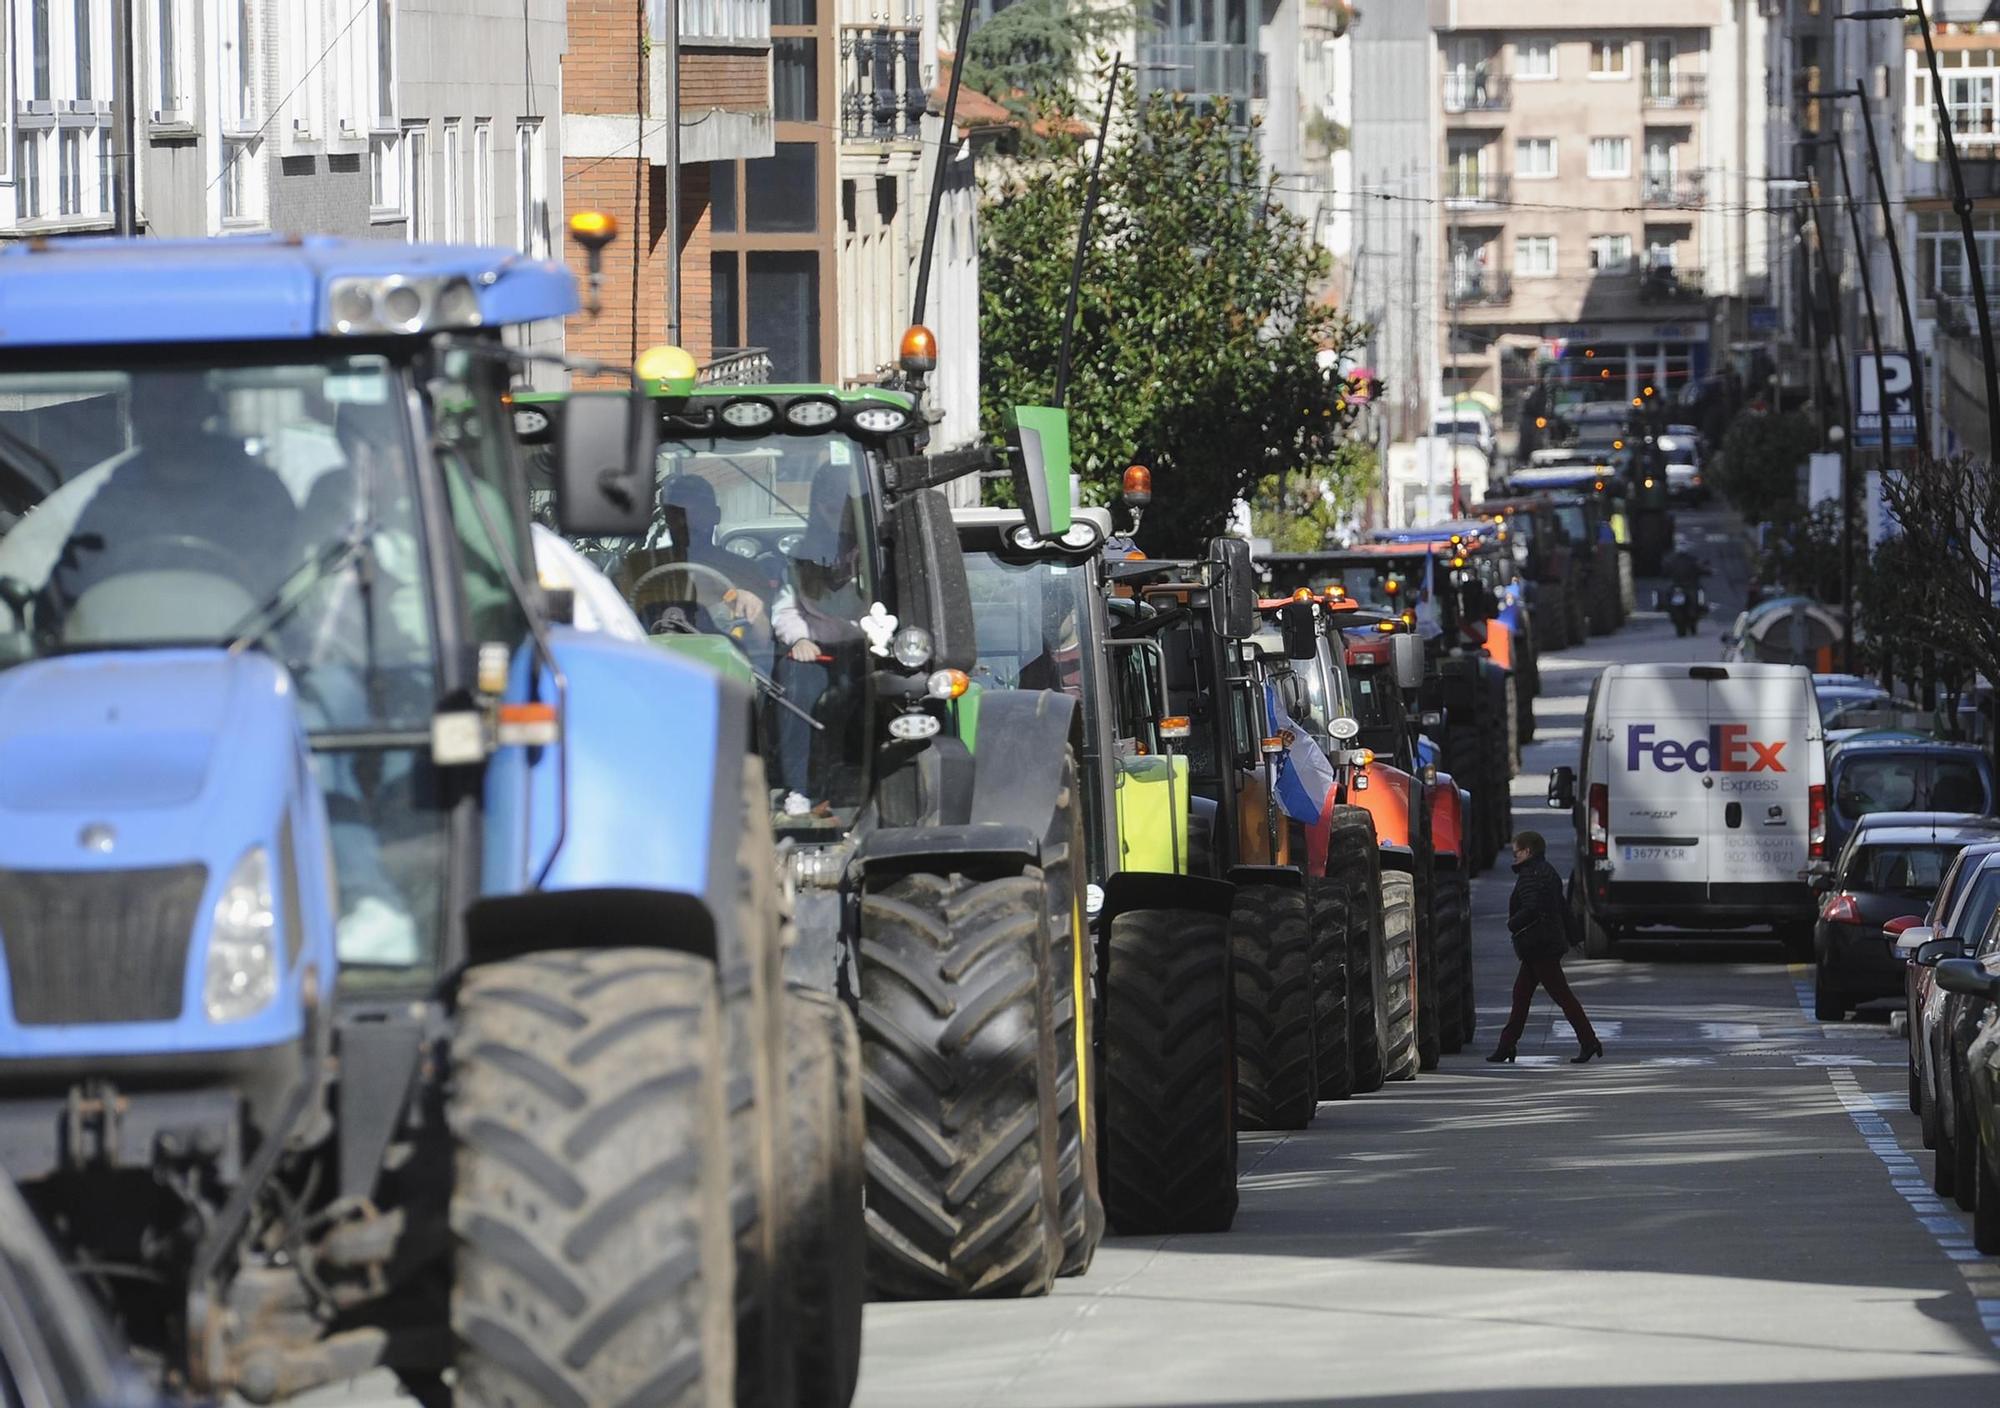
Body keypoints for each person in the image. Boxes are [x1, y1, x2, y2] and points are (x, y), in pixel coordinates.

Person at [772, 455, 868, 817]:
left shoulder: (874, 551)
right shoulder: (801, 556)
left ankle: (863, 783)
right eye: (825, 499)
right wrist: (798, 639)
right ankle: (800, 787)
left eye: (841, 499)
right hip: (815, 649)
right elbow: (785, 611)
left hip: (865, 648)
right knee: (795, 690)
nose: (833, 508)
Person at [1488, 830, 1604, 1064]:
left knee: (1561, 996)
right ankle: (1506, 1045)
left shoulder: (1531, 875)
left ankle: (1589, 1041)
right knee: (1521, 995)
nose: (1514, 857)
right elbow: (1562, 908)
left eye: (1516, 852)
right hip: (1543, 945)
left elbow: (1532, 908)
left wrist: (1512, 924)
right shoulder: (1547, 871)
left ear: (1528, 851)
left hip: (1539, 946)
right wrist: (1574, 937)